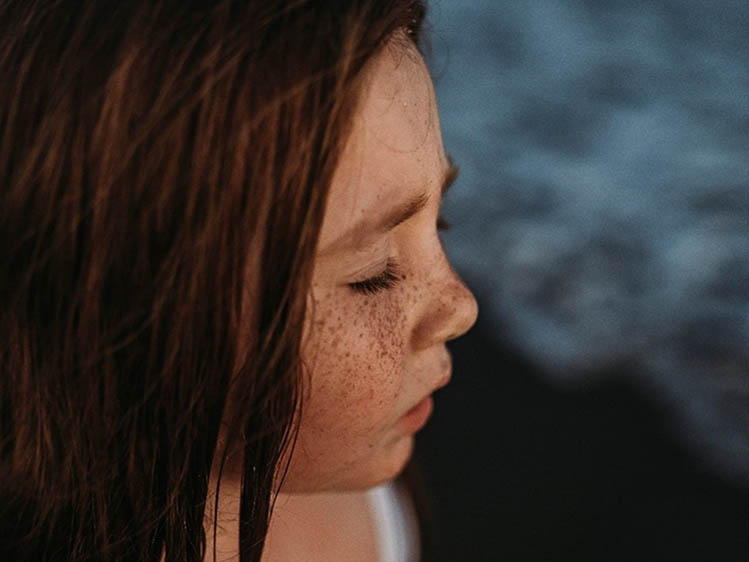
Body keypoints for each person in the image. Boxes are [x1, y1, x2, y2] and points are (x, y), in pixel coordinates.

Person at [0, 1, 478, 561]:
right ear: (124, 323)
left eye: (439, 218)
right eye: (373, 275)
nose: (461, 305)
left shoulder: (327, 452)